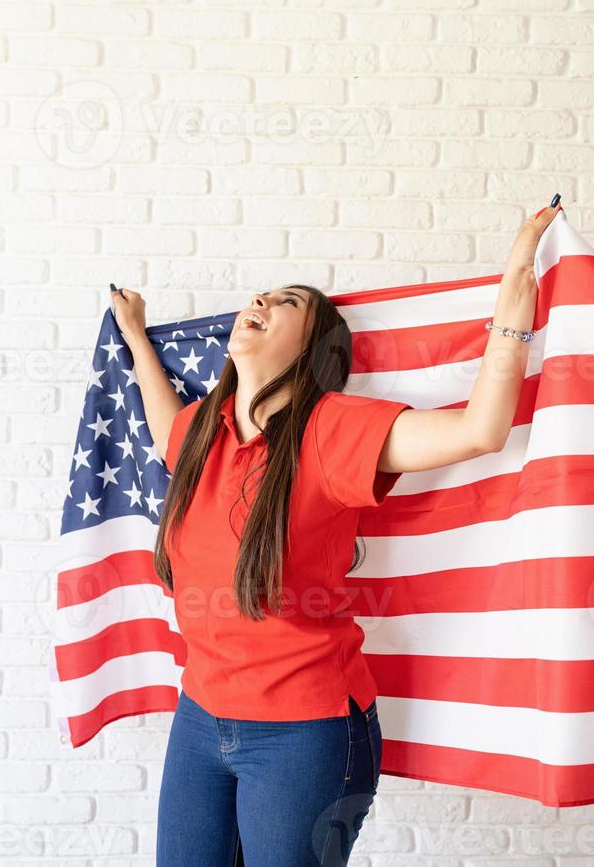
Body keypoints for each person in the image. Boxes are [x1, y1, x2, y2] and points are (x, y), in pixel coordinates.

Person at [110, 203, 562, 867]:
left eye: (287, 302)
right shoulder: (203, 429)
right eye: (263, 294)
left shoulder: (333, 430)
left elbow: (478, 431)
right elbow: (161, 427)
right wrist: (137, 337)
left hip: (304, 733)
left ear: (314, 347)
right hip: (200, 718)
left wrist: (518, 288)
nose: (260, 299)